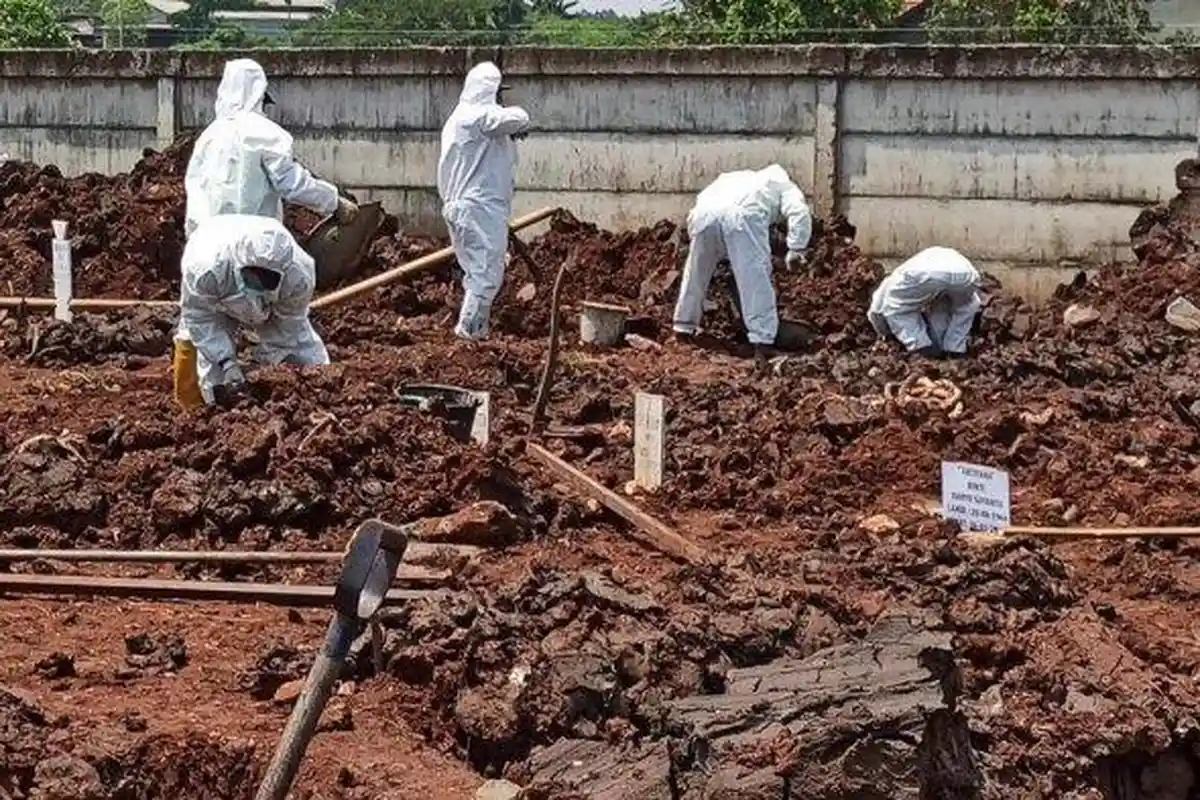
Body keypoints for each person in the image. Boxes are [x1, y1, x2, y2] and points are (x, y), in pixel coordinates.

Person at [184, 58, 358, 238]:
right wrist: (334, 202)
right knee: (303, 267)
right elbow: (291, 182)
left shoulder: (208, 137)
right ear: (259, 95)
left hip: (206, 244)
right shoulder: (264, 133)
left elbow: (195, 191)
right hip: (252, 242)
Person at [173, 214, 328, 408]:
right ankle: (204, 412)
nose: (258, 283)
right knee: (206, 361)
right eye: (252, 275)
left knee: (303, 352)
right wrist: (227, 362)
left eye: (267, 278)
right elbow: (200, 319)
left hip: (274, 304)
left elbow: (287, 327)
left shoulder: (299, 275)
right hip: (219, 293)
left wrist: (261, 369)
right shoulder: (205, 269)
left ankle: (323, 398)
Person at [672, 164, 812, 352]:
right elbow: (799, 212)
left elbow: (700, 208)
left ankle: (683, 326)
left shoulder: (733, 178)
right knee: (755, 278)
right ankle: (763, 341)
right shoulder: (783, 184)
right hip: (743, 216)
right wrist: (796, 248)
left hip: (703, 215)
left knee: (696, 272)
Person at [437, 61, 531, 340]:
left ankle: (475, 333)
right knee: (485, 276)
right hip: (477, 209)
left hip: (469, 209)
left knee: (478, 273)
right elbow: (519, 117)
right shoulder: (475, 117)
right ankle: (469, 334)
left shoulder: (464, 120)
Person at [867, 246, 983, 359]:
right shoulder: (904, 276)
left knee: (898, 310)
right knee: (964, 306)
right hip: (968, 273)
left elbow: (878, 312)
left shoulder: (890, 286)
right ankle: (954, 349)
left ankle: (921, 349)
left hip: (927, 274)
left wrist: (885, 334)